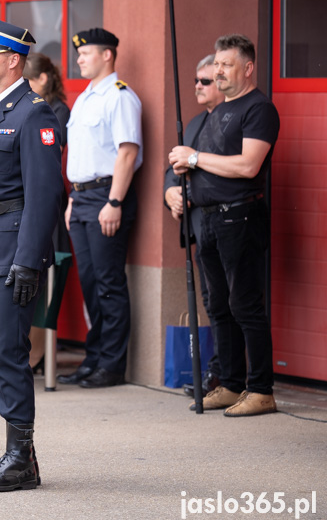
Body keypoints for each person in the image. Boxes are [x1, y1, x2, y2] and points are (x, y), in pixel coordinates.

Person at [0, 15, 63, 491]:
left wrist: (29, 259)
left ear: (13, 61)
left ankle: (19, 460)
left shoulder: (33, 112)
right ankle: (23, 458)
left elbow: (44, 195)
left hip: (10, 249)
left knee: (7, 353)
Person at [168, 34, 280, 417]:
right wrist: (182, 170)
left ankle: (261, 389)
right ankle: (231, 384)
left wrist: (195, 158)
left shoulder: (259, 108)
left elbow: (248, 165)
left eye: (226, 64)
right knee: (218, 305)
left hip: (240, 215)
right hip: (208, 219)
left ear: (247, 68)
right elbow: (205, 162)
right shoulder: (218, 111)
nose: (217, 71)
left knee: (245, 303)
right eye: (215, 64)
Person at [58, 28, 143, 389]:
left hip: (107, 196)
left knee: (108, 283)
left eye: (86, 53)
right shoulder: (85, 98)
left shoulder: (120, 97)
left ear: (107, 55)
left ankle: (112, 365)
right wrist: (73, 200)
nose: (79, 59)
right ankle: (93, 359)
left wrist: (114, 202)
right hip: (81, 199)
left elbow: (127, 152)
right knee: (91, 284)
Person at [163, 54, 224, 396]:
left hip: (228, 221)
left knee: (231, 302)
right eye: (196, 81)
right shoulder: (197, 122)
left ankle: (229, 374)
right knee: (211, 300)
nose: (198, 87)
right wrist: (170, 191)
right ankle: (218, 372)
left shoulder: (232, 119)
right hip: (200, 226)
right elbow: (172, 168)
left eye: (206, 81)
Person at [23, 52, 71, 374]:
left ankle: (38, 356)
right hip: (28, 205)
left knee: (44, 285)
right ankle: (32, 354)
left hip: (48, 206)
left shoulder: (55, 110)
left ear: (42, 79)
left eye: (27, 80)